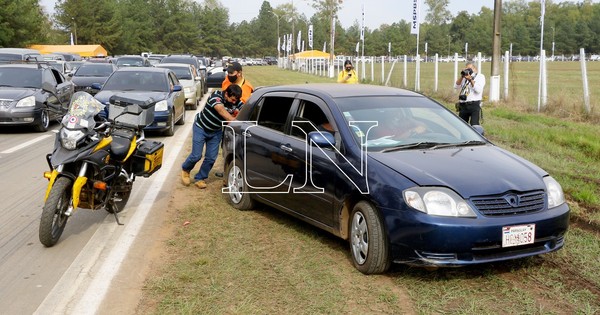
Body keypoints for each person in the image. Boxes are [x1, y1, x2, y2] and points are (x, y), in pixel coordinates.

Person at [181, 84, 243, 189]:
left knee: (211, 158)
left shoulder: (236, 101)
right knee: (196, 155)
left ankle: (200, 178)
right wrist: (234, 120)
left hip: (215, 132)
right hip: (201, 128)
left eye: (235, 101)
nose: (234, 102)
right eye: (232, 100)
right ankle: (185, 170)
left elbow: (245, 109)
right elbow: (221, 110)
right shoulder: (216, 96)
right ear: (226, 94)